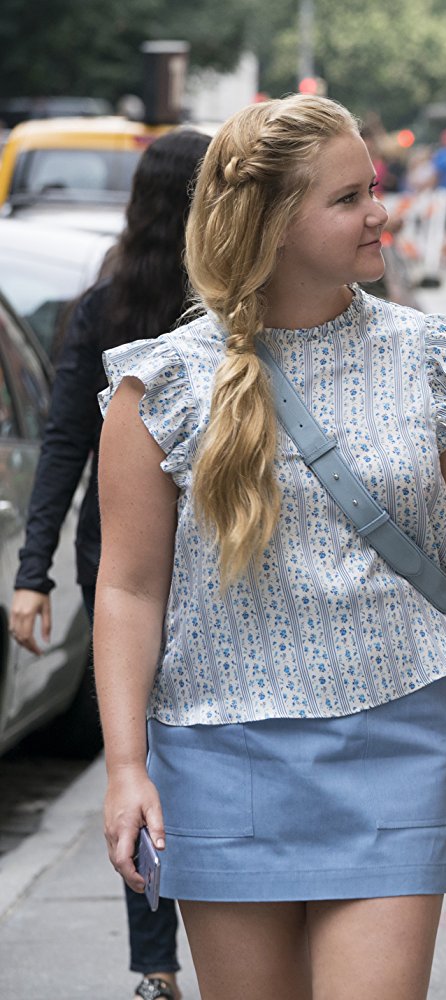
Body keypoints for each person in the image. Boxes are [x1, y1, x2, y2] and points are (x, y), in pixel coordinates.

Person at [93, 94, 446, 1000]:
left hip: (395, 739)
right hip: (216, 752)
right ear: (273, 225)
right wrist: (126, 768)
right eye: (349, 197)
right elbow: (126, 589)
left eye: (376, 188)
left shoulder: (431, 358)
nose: (381, 212)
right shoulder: (159, 385)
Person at [9, 126, 209, 1000]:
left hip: (115, 558)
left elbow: (61, 449)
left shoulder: (106, 303)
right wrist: (31, 569)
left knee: (139, 755)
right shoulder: (216, 304)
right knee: (180, 749)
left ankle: (156, 965)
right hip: (199, 552)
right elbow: (59, 440)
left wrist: (36, 570)